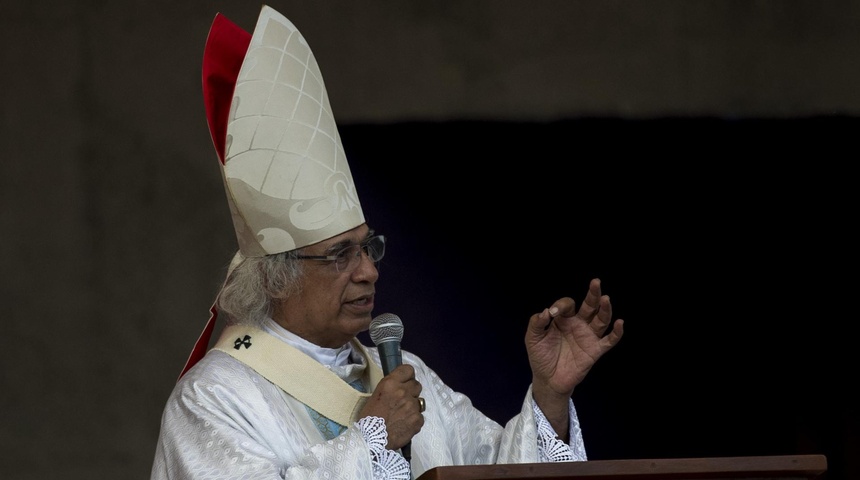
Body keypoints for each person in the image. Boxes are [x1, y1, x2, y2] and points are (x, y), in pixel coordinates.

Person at [151, 6, 624, 480]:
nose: (369, 272)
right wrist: (374, 438)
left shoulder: (406, 374)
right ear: (278, 277)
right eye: (340, 255)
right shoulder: (215, 397)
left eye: (367, 247)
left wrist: (549, 395)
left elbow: (495, 469)